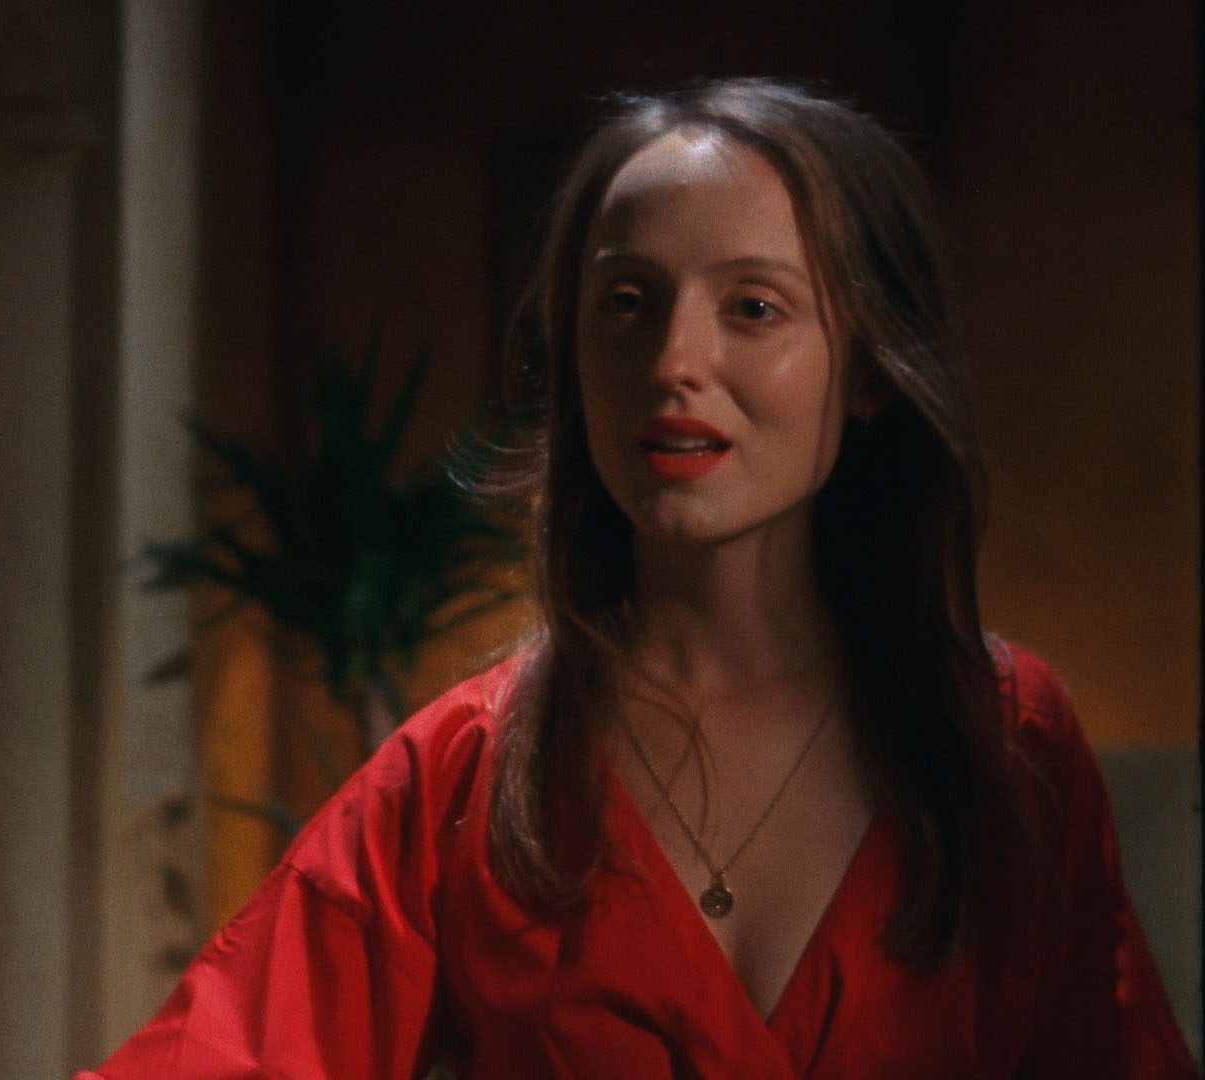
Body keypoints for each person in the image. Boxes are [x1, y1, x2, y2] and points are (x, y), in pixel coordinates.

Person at [78, 78, 1196, 1078]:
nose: (671, 362)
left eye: (752, 308)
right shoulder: (472, 770)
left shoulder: (1007, 740)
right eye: (626, 302)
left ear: (868, 370)